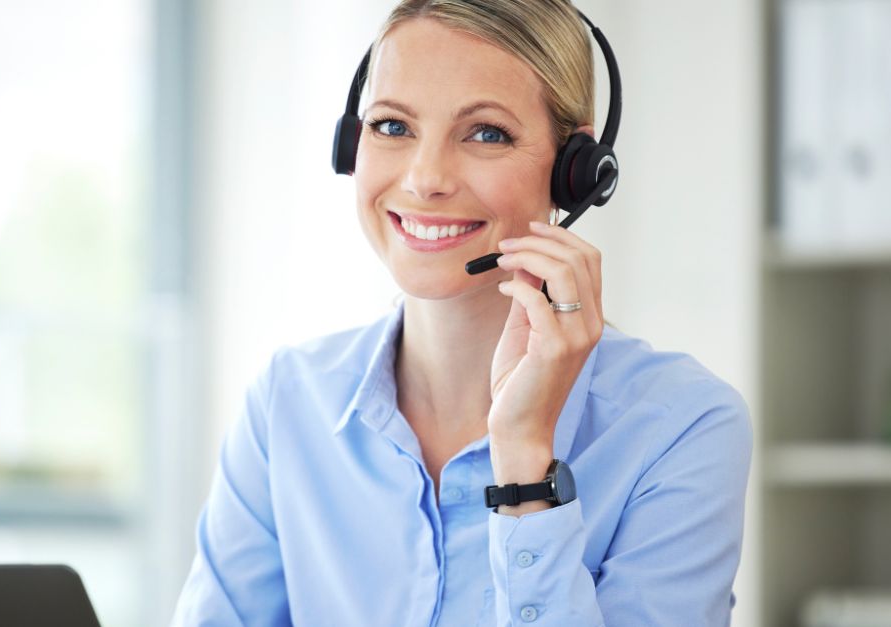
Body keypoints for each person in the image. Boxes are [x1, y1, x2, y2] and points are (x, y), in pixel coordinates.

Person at [171, 1, 752, 625]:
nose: (425, 179)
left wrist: (527, 464)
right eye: (392, 126)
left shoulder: (682, 426)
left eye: (486, 133)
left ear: (575, 172)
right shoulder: (288, 403)